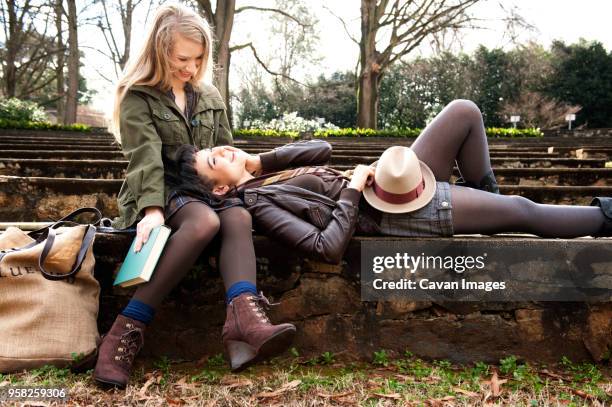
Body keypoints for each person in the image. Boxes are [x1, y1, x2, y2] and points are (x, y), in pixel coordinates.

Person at [94, 4, 297, 388]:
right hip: (163, 190)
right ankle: (124, 332)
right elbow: (144, 159)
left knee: (237, 217)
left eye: (198, 58)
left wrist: (237, 184)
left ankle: (244, 324)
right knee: (204, 220)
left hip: (209, 192)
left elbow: (227, 152)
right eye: (181, 58)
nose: (190, 67)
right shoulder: (138, 97)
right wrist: (152, 210)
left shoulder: (209, 96)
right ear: (158, 52)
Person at [171, 99, 612, 265]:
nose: (225, 149)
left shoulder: (266, 173)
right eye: (216, 159)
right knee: (522, 211)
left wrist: (258, 159)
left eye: (219, 147)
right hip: (390, 212)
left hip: (397, 180)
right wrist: (350, 187)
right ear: (220, 190)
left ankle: (483, 205)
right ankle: (606, 217)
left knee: (464, 112)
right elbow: (326, 247)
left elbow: (322, 149)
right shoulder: (259, 206)